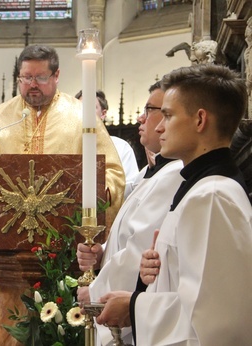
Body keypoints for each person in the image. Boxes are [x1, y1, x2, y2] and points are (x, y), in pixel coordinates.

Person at [0, 44, 125, 313]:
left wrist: (93, 200)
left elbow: (113, 173)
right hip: (7, 254)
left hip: (66, 248)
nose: (33, 85)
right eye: (26, 78)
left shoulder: (81, 117)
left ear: (57, 76)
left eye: (41, 78)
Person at [95, 64, 252, 346]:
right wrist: (151, 276)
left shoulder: (212, 197)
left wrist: (133, 306)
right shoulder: (200, 188)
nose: (159, 126)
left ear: (200, 120)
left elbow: (218, 324)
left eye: (167, 115)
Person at [76, 81, 184, 345]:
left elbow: (140, 250)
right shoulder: (151, 172)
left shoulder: (173, 175)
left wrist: (96, 291)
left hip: (132, 310)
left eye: (152, 109)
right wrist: (102, 252)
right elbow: (127, 232)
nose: (141, 117)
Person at [76, 90, 140, 198]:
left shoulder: (121, 147)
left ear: (103, 113)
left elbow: (130, 187)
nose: (84, 112)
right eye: (79, 107)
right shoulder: (66, 144)